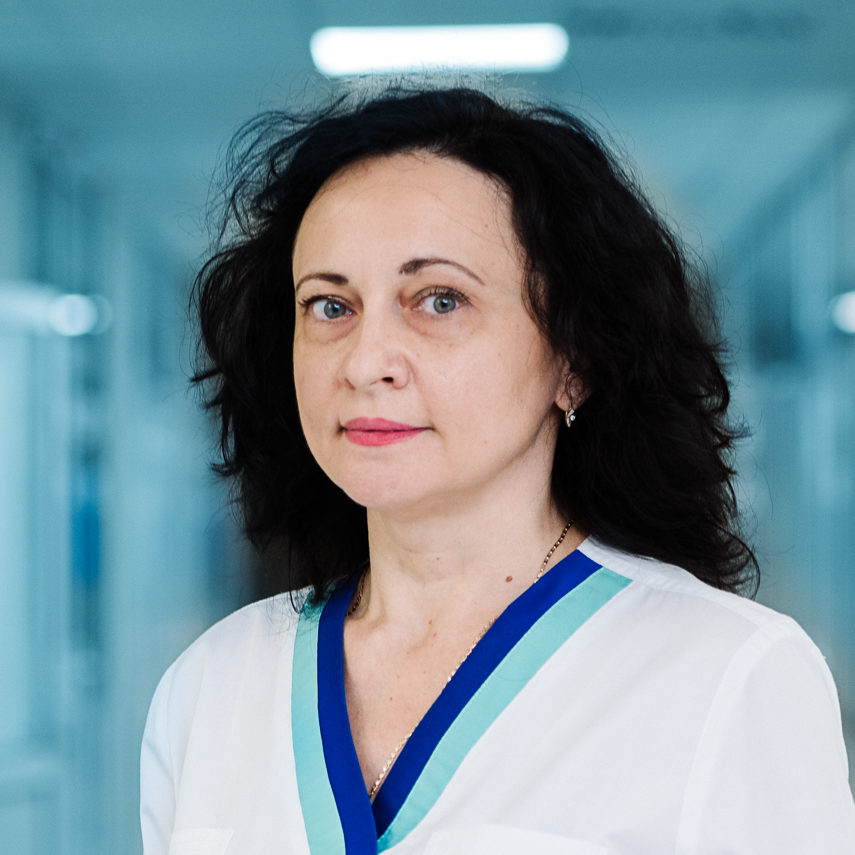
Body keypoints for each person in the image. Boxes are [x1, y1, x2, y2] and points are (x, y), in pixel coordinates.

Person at [140, 84, 855, 854]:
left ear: (574, 360)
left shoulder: (726, 672)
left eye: (439, 300)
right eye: (330, 306)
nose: (365, 361)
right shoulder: (211, 685)